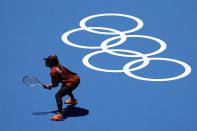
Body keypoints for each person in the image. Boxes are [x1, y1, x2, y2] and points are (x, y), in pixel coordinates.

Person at [42, 54, 80, 121]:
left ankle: (60, 115)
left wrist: (48, 86)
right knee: (64, 87)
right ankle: (73, 100)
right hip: (76, 78)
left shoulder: (53, 71)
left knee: (58, 95)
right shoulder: (58, 65)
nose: (46, 62)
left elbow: (55, 84)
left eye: (47, 61)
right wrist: (50, 86)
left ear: (51, 63)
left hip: (72, 83)